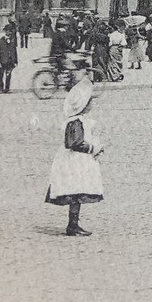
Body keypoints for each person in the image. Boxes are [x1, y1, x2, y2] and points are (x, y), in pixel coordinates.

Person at [45, 72, 104, 237]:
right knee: (76, 192)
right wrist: (93, 148)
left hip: (77, 161)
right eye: (89, 100)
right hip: (75, 162)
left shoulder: (80, 120)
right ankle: (72, 225)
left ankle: (74, 224)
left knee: (77, 193)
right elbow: (74, 144)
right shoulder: (76, 122)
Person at [0, 25, 18, 93]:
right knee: (1, 75)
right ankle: (0, 88)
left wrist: (16, 61)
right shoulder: (0, 41)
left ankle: (7, 88)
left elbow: (14, 51)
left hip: (10, 60)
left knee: (8, 75)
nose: (8, 32)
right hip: (2, 60)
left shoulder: (13, 41)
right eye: (7, 31)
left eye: (10, 31)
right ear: (5, 31)